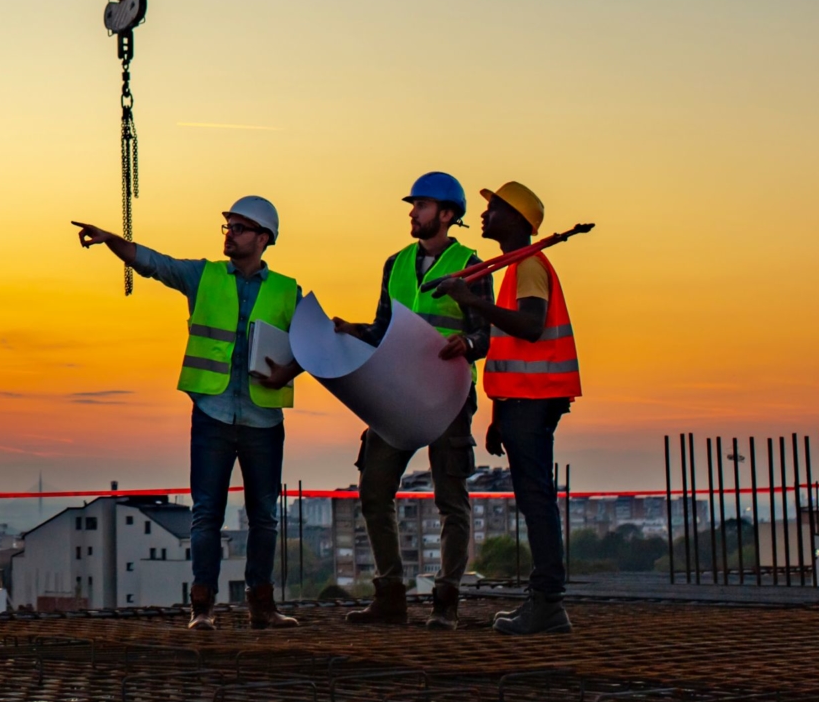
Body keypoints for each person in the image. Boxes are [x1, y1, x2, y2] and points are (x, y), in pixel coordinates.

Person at [73, 197, 305, 630]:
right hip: (213, 414)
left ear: (263, 238)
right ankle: (202, 609)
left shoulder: (287, 290)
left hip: (263, 420)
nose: (230, 233)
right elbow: (153, 263)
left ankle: (262, 606)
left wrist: (288, 370)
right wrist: (111, 242)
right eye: (228, 226)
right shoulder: (205, 275)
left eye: (239, 227)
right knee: (206, 515)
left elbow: (316, 344)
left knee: (265, 516)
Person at [329, 172, 488, 629]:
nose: (412, 213)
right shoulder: (395, 264)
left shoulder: (471, 265)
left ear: (446, 214)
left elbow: (485, 334)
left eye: (420, 205)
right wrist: (354, 330)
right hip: (396, 393)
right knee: (374, 488)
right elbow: (385, 327)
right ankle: (390, 596)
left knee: (450, 499)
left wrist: (468, 344)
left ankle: (445, 601)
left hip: (447, 396)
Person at [437, 181, 581, 635]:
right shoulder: (518, 268)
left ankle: (547, 603)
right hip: (523, 401)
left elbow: (531, 327)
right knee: (533, 497)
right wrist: (500, 414)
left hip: (534, 400)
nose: (484, 214)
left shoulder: (530, 267)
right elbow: (510, 346)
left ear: (517, 220)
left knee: (536, 499)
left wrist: (472, 302)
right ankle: (544, 601)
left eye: (494, 207)